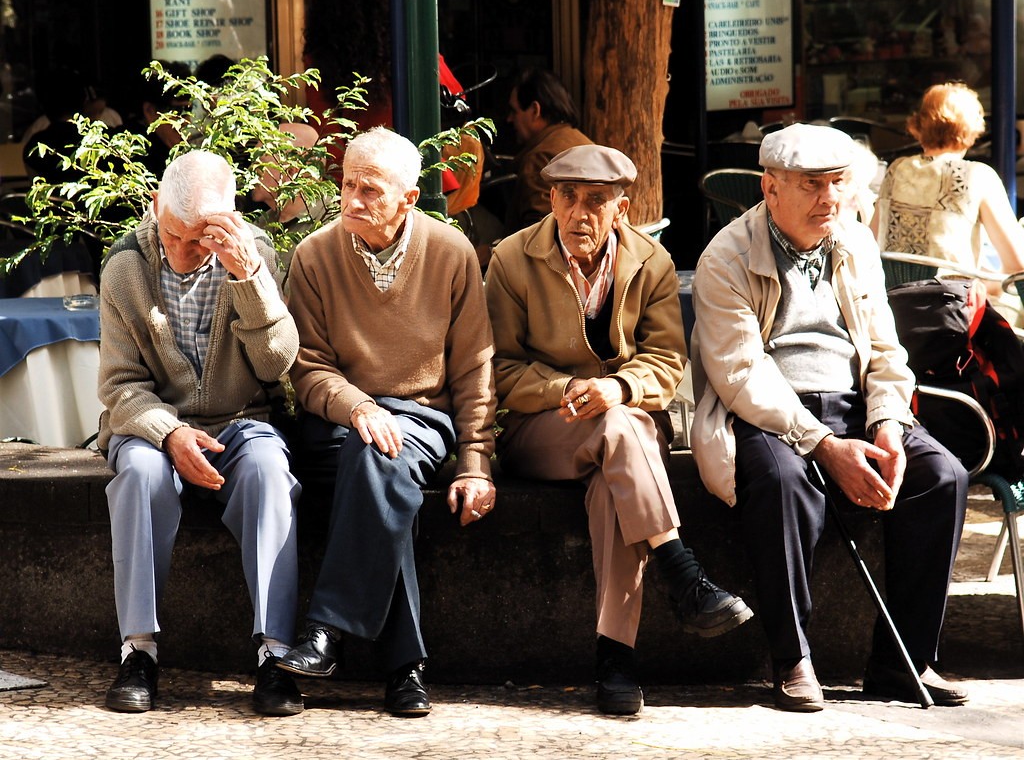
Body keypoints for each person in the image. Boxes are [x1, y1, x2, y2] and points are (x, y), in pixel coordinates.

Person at [690, 123, 970, 713]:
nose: (830, 199)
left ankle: (905, 662)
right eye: (812, 186)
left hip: (855, 402)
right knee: (782, 482)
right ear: (770, 189)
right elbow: (741, 374)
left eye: (838, 183)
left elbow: (889, 353)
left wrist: (889, 423)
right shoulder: (726, 256)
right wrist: (823, 446)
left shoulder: (854, 242)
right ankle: (792, 657)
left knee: (940, 477)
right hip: (774, 409)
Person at [485, 144, 753, 716]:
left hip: (625, 427)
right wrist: (566, 390)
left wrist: (620, 388)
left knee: (613, 482)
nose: (579, 213)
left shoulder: (650, 262)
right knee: (616, 430)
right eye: (568, 197)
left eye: (596, 201)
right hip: (543, 429)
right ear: (552, 199)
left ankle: (616, 661)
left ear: (621, 208)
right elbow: (499, 367)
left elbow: (666, 361)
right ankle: (682, 571)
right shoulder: (511, 259)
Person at [276, 126, 497, 717]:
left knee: (380, 457)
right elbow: (308, 369)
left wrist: (475, 463)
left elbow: (475, 369)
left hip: (422, 418)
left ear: (409, 197)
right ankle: (405, 668)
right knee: (375, 464)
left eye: (370, 190)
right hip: (342, 421)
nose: (352, 200)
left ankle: (326, 632)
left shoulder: (451, 254)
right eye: (347, 184)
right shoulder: (315, 255)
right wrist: (359, 408)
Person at [97, 150, 304, 716]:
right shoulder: (125, 268)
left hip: (240, 421)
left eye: (201, 239)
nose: (183, 251)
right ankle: (138, 651)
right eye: (173, 234)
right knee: (139, 473)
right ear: (156, 207)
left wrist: (249, 279)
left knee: (267, 471)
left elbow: (276, 365)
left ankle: (275, 653)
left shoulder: (255, 255)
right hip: (150, 425)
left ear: (230, 221)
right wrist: (169, 434)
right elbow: (119, 386)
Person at [870, 82, 1024, 323]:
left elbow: (871, 246)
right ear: (972, 128)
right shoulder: (977, 175)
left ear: (919, 124)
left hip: (894, 316)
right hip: (955, 316)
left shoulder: (896, 170)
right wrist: (983, 281)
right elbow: (1017, 265)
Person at [505, 68, 593, 233]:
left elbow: (540, 235)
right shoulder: (583, 142)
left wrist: (492, 250)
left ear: (535, 110)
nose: (509, 119)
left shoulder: (540, 158)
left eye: (514, 111)